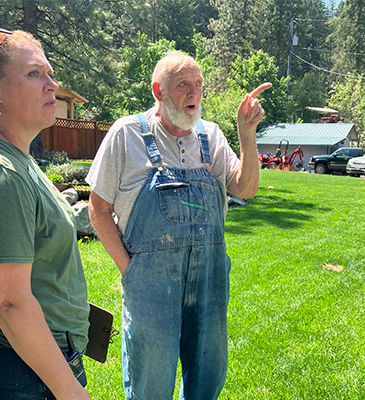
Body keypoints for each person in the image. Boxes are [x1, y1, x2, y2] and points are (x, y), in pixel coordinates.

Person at [86, 50, 271, 399]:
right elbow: (98, 208)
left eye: (199, 85)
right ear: (158, 90)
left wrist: (247, 133)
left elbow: (245, 188)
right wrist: (130, 269)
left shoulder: (211, 136)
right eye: (183, 85)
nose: (194, 94)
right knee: (151, 383)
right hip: (150, 285)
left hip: (209, 282)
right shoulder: (127, 134)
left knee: (207, 377)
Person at [0, 26, 91, 400]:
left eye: (49, 73)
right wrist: (69, 391)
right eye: (33, 74)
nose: (51, 85)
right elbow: (9, 303)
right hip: (15, 370)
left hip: (26, 363)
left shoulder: (15, 156)